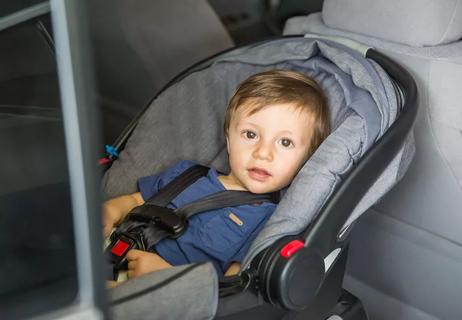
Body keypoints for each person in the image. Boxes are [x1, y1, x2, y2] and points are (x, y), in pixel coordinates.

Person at [103, 69, 330, 284]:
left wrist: (167, 278)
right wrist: (110, 211)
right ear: (229, 140)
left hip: (162, 294)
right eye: (250, 134)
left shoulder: (267, 223)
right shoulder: (186, 174)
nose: (263, 153)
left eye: (285, 142)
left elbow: (230, 289)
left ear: (307, 159)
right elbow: (134, 201)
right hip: (110, 250)